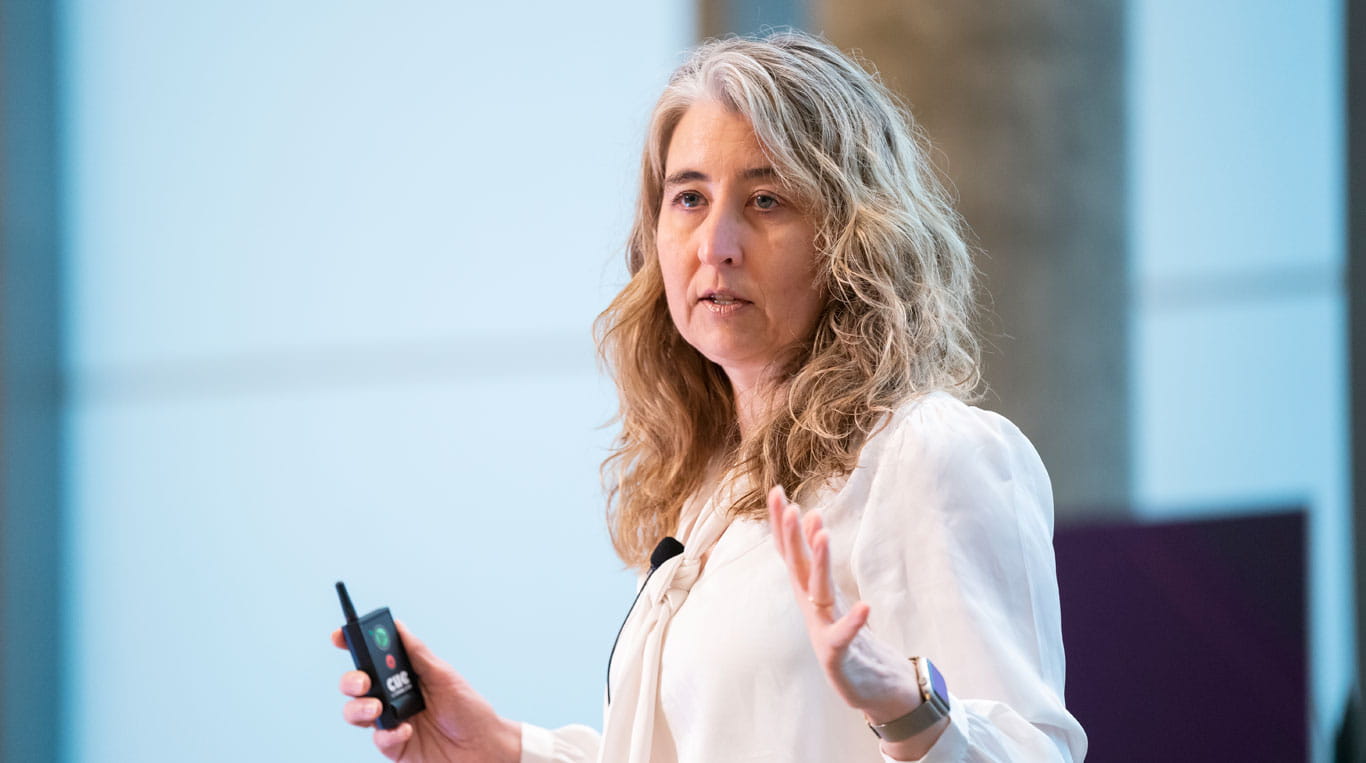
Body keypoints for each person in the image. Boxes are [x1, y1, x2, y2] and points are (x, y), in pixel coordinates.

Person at [334, 31, 1088, 762]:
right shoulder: (707, 485)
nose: (715, 245)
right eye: (689, 198)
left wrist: (902, 699)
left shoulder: (931, 453)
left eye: (766, 200)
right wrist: (503, 750)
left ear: (851, 236)